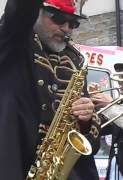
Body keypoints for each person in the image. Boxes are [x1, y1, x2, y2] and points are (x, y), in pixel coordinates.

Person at [0, 0, 100, 179]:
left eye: (73, 23)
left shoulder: (74, 60)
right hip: (16, 163)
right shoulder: (14, 41)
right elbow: (19, 12)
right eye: (59, 19)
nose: (67, 28)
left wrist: (86, 119)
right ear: (36, 12)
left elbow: (90, 141)